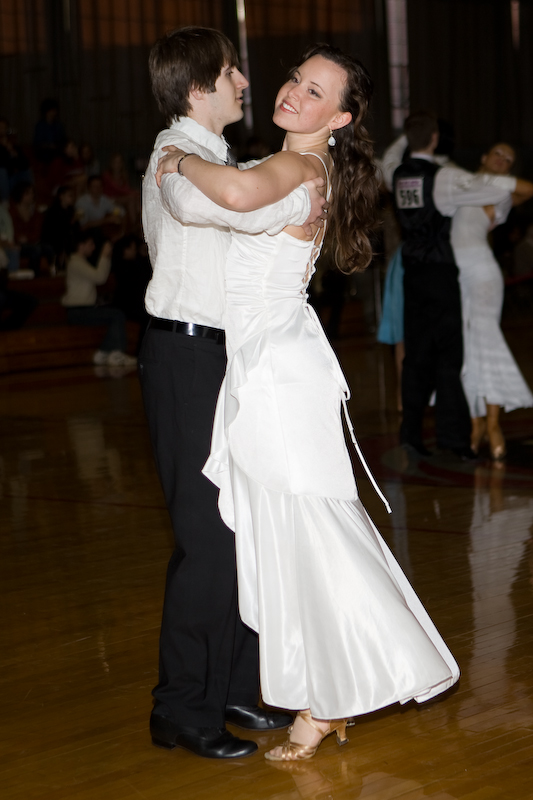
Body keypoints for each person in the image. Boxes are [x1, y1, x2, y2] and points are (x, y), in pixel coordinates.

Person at [156, 44, 460, 762]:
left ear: (341, 117)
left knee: (307, 532)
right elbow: (238, 201)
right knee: (289, 532)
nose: (293, 92)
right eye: (296, 79)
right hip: (270, 360)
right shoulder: (298, 165)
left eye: (315, 91)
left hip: (276, 368)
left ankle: (331, 697)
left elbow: (233, 197)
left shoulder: (297, 166)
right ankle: (317, 697)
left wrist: (176, 161)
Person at [140, 26, 327, 761]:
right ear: (197, 88)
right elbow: (224, 207)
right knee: (207, 539)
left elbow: (244, 192)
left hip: (226, 357)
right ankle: (181, 709)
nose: (244, 81)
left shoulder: (217, 157)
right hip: (187, 356)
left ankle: (236, 688)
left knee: (245, 530)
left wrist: (293, 184)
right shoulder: (172, 153)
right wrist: (296, 191)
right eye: (228, 72)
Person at [383, 113, 522, 458]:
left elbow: (389, 158)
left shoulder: (396, 174)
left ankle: (410, 434)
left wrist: (405, 138)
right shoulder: (443, 176)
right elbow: (493, 189)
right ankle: (454, 439)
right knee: (449, 355)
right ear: (434, 139)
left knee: (415, 356)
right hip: (441, 273)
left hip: (411, 273)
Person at [450, 143, 533, 459]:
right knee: (465, 347)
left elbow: (528, 189)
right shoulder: (458, 182)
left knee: (487, 341)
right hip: (453, 274)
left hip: (483, 272)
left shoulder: (500, 192)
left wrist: (490, 179)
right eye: (498, 153)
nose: (502, 160)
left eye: (509, 159)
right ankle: (476, 422)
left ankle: (494, 423)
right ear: (483, 156)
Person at [61, 230, 137, 367]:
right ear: (81, 245)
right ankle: (114, 352)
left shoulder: (78, 261)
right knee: (117, 315)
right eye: (90, 244)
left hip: (81, 309)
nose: (93, 247)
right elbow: (100, 278)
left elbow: (99, 276)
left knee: (116, 314)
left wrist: (105, 256)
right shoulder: (75, 262)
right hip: (78, 311)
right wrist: (104, 255)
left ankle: (104, 352)